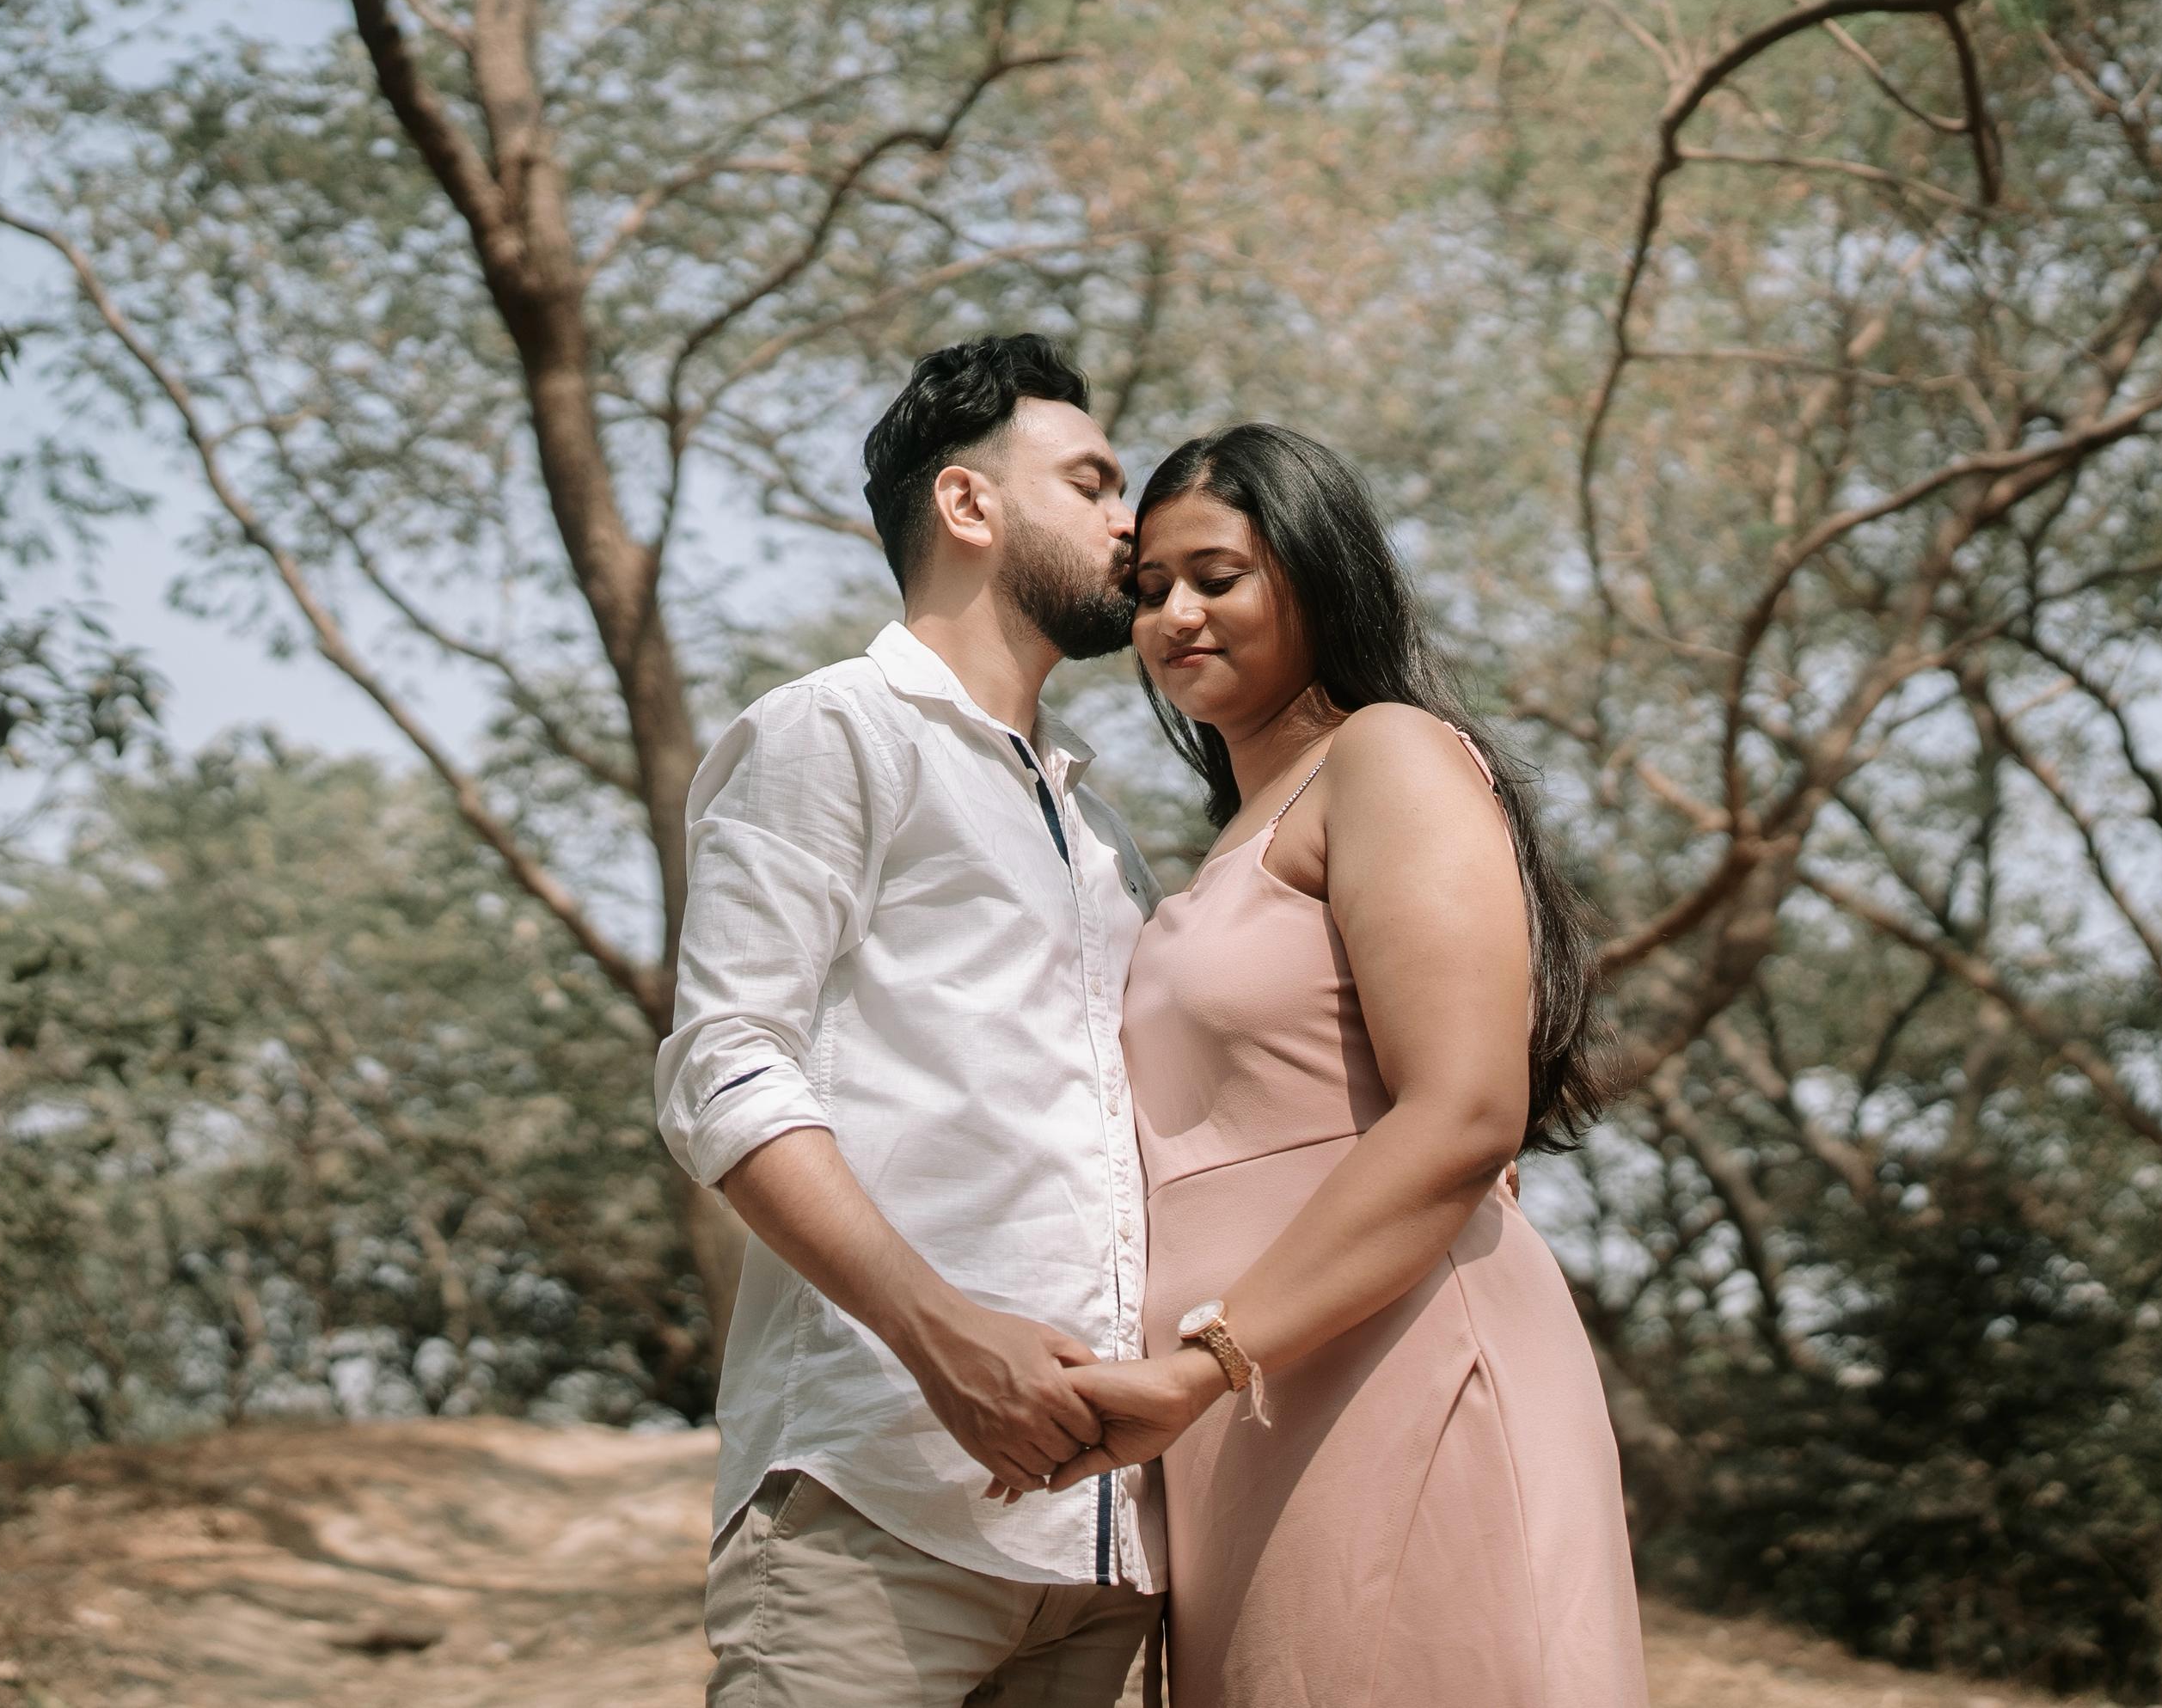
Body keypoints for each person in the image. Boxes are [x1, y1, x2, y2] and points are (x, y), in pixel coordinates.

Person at [1014, 422, 1649, 1707]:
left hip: (1385, 1360)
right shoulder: (1229, 842)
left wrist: (1206, 1363)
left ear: (1316, 570)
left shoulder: (1388, 756)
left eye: (1217, 574)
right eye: (1149, 590)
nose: (1174, 612)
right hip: (1238, 1421)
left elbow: (1468, 1111)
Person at [655, 334, 1167, 1708]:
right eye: (1096, 482)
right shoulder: (834, 731)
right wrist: (943, 1335)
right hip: (876, 1507)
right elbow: (723, 1069)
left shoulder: (1108, 834)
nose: (1134, 523)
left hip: (1105, 1548)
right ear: (968, 504)